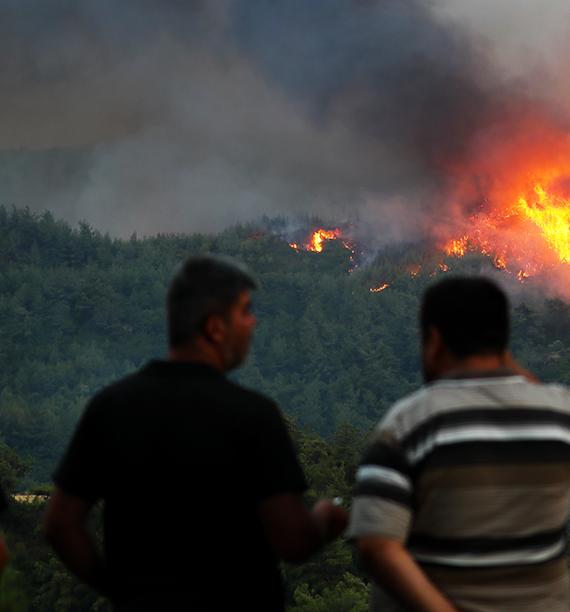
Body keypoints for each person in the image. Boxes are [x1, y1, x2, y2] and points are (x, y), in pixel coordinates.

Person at [43, 255, 349, 611]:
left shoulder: (110, 406)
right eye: (245, 312)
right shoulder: (251, 414)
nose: (254, 322)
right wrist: (326, 519)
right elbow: (293, 541)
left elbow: (60, 524)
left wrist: (119, 591)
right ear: (216, 328)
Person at [347, 277, 570, 612]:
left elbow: (376, 544)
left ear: (434, 341)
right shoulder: (566, 416)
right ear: (503, 343)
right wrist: (502, 359)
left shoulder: (410, 423)